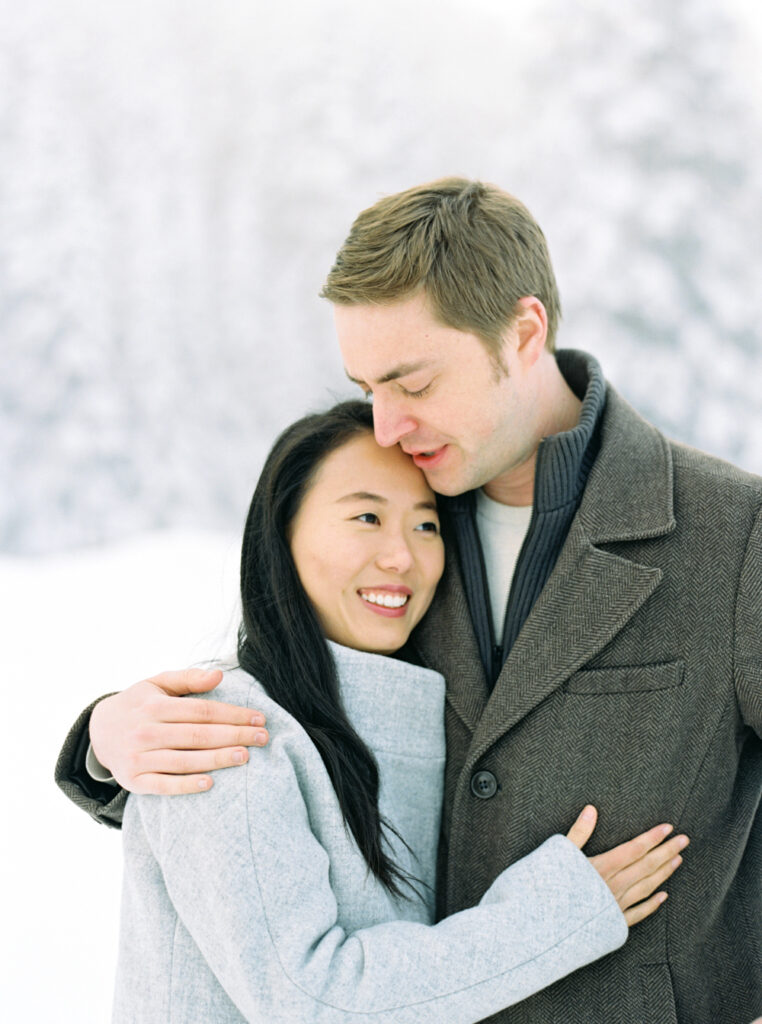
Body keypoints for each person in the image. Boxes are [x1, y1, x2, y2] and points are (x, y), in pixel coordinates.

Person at [56, 178, 761, 1024]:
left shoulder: (732, 533)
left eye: (413, 383)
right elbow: (294, 702)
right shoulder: (399, 519)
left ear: (523, 333)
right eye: (367, 385)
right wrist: (108, 734)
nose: (387, 426)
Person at [105, 399, 683, 1022]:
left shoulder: (411, 712)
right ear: (283, 529)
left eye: (426, 525)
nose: (402, 557)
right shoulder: (224, 732)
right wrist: (557, 914)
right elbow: (310, 1000)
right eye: (366, 516)